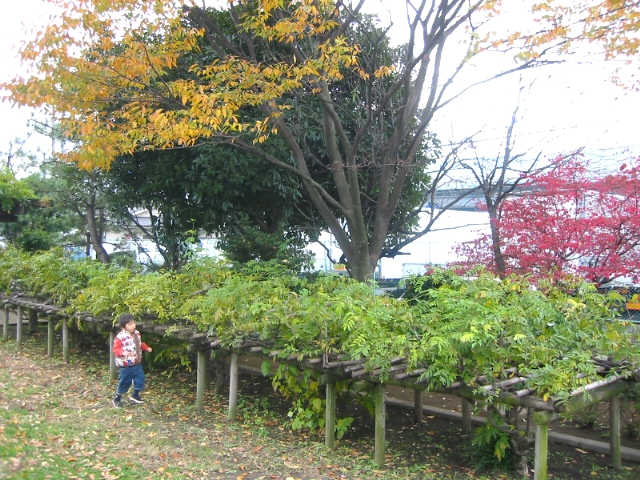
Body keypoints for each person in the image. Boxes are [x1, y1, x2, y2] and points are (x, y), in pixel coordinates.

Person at [112, 313, 152, 408]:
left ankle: (135, 395)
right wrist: (123, 352)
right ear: (123, 326)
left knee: (140, 379)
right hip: (126, 365)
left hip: (136, 363)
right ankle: (117, 398)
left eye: (134, 323)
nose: (133, 326)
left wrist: (146, 348)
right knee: (124, 382)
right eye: (129, 324)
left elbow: (139, 343)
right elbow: (115, 350)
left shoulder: (137, 333)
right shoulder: (120, 337)